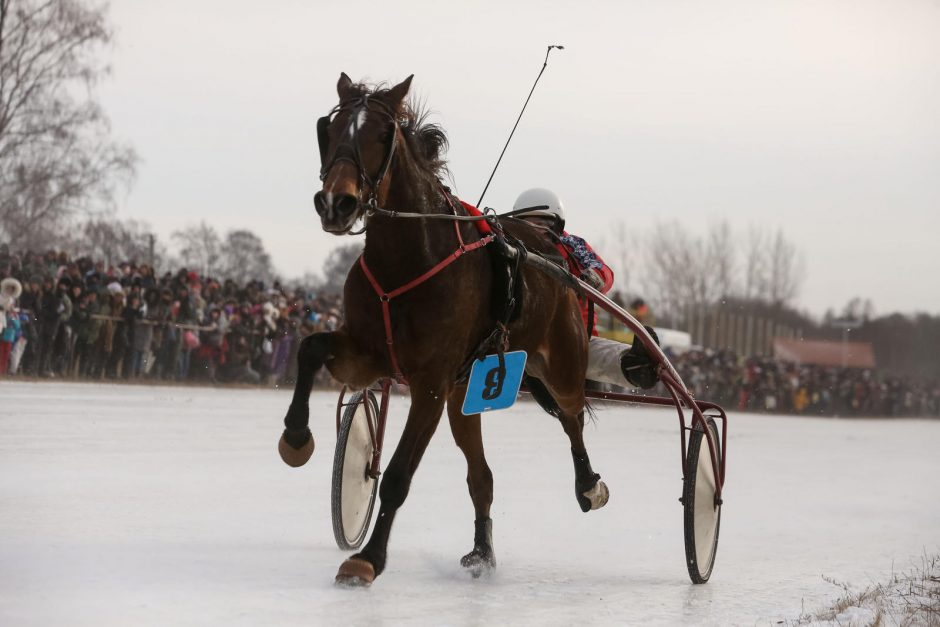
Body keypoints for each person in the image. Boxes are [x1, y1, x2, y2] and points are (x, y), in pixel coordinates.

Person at [512, 188, 659, 390]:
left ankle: (635, 365)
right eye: (525, 224)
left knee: (582, 351)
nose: (533, 230)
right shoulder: (510, 249)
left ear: (556, 224)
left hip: (570, 333)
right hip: (520, 336)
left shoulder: (571, 245)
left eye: (540, 224)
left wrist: (593, 278)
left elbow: (602, 271)